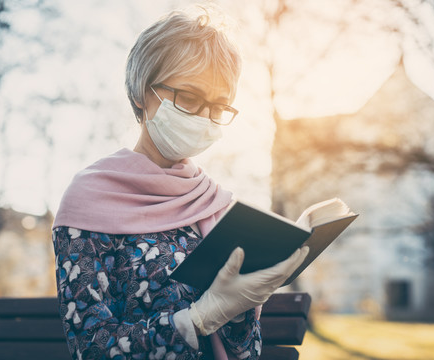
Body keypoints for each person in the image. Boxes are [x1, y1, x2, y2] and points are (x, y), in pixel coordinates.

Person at [52, 7, 309, 360]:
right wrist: (198, 319)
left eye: (218, 107)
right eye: (188, 98)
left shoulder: (213, 202)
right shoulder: (89, 198)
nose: (204, 118)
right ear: (142, 91)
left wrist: (240, 309)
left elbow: (246, 350)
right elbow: (91, 347)